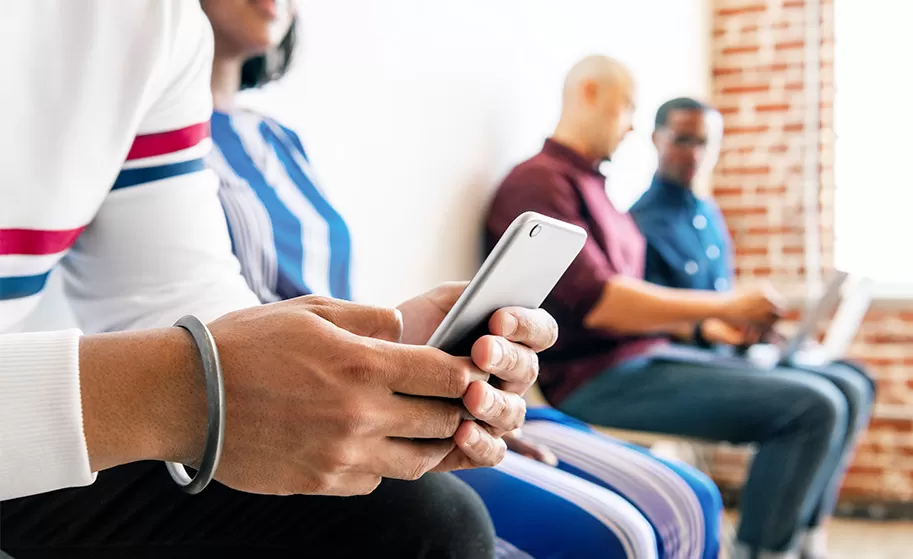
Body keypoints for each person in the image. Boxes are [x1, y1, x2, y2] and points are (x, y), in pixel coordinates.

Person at [1, 2, 556, 557]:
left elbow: (172, 293)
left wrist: (382, 349)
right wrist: (182, 388)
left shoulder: (158, 24)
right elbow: (191, 366)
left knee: (426, 524)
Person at [202, 3, 717, 557]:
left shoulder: (279, 140)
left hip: (365, 386)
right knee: (621, 537)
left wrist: (413, 350)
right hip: (273, 415)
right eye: (628, 109)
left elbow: (321, 309)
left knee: (689, 499)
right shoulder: (146, 143)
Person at [485, 55, 870, 559]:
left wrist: (713, 325)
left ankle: (797, 541)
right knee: (812, 405)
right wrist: (727, 304)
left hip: (647, 358)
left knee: (836, 386)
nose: (630, 127)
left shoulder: (599, 192)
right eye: (627, 109)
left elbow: (637, 302)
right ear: (590, 95)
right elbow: (602, 304)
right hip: (596, 377)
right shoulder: (538, 183)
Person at [629, 97, 876, 559]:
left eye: (705, 143)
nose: (695, 154)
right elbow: (654, 319)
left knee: (854, 381)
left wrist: (747, 328)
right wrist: (719, 330)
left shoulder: (707, 217)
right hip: (682, 363)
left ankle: (804, 533)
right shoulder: (641, 223)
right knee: (816, 403)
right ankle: (761, 548)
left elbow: (715, 304)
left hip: (727, 351)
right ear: (656, 138)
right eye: (683, 140)